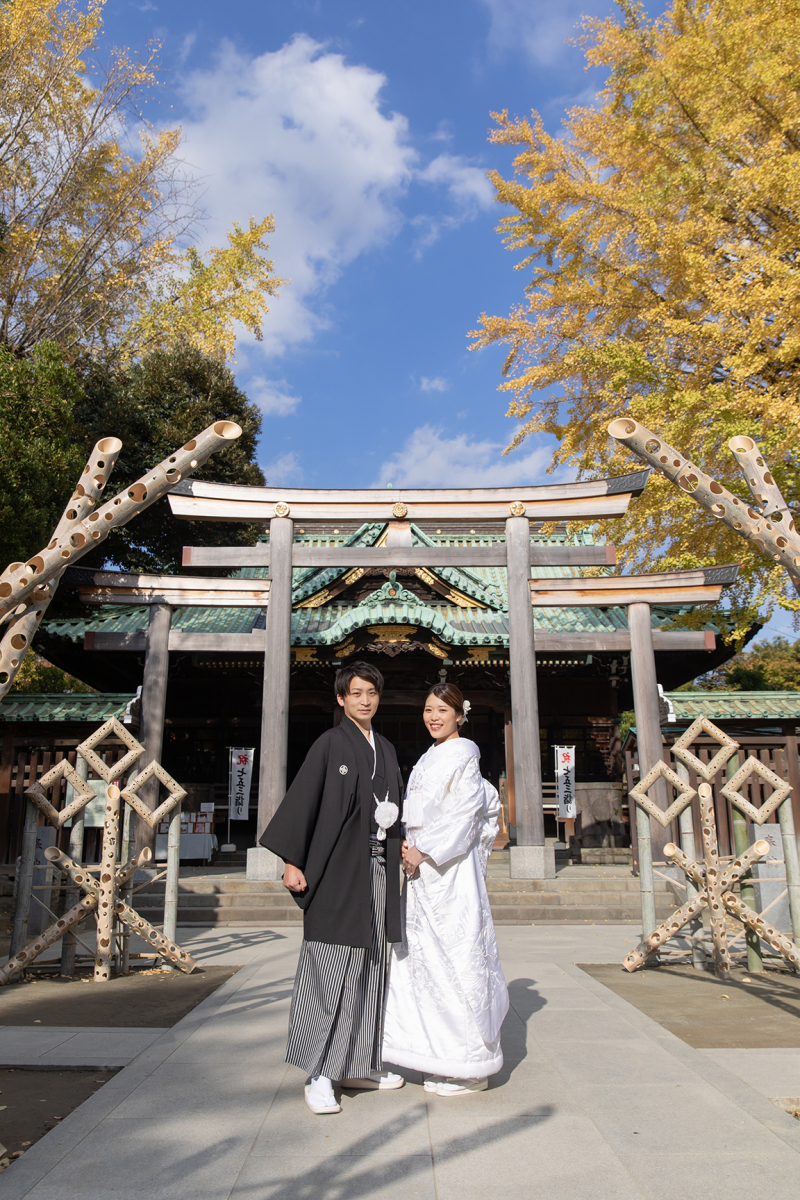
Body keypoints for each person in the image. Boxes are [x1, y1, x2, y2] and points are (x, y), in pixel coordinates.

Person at [260, 661, 405, 1114]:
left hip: (377, 871)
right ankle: (319, 1072)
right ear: (341, 699)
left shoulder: (386, 748)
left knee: (371, 967)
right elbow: (303, 800)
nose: (365, 700)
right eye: (356, 693)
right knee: (330, 965)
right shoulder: (330, 743)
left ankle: (357, 1063)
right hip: (338, 870)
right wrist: (292, 860)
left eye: (372, 692)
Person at [382, 683, 509, 1095]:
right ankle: (434, 1055)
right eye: (428, 709)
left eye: (442, 710)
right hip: (421, 868)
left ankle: (470, 1067)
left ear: (459, 715)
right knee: (424, 961)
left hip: (449, 870)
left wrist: (425, 849)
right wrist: (408, 843)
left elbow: (466, 811)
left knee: (456, 955)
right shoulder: (430, 755)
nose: (433, 717)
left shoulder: (464, 753)